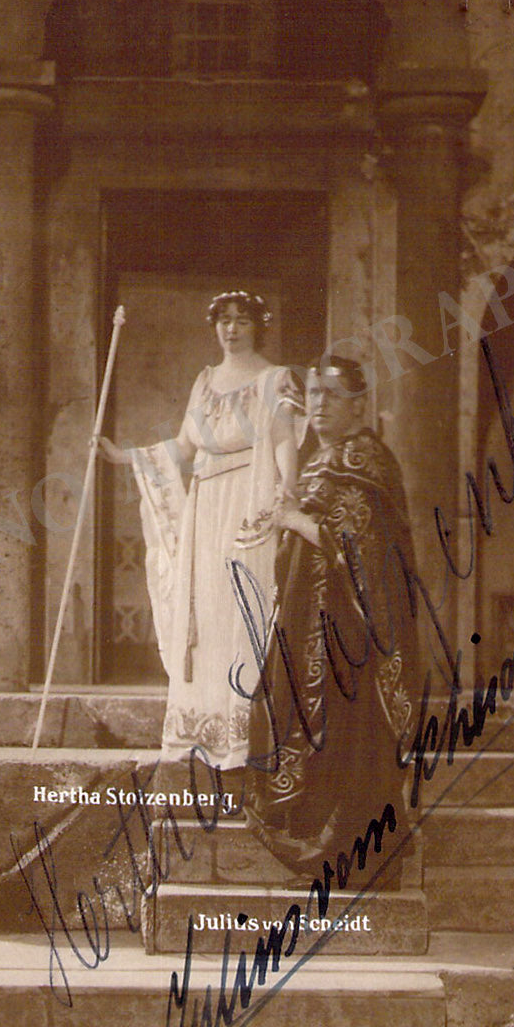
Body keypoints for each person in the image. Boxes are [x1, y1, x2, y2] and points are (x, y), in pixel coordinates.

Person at [99, 291, 302, 768]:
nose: (231, 329)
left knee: (242, 609)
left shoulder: (275, 379)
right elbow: (185, 448)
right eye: (224, 320)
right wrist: (122, 456)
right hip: (206, 507)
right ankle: (201, 730)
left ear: (258, 326)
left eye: (242, 320)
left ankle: (241, 736)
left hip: (248, 503)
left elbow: (283, 440)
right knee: (206, 610)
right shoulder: (205, 381)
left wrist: (286, 492)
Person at [243, 354, 419, 884]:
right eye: (314, 394)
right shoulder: (325, 459)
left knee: (349, 738)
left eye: (332, 395)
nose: (318, 404)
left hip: (350, 634)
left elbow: (356, 546)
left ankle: (351, 855)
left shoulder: (362, 459)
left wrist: (293, 519)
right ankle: (328, 848)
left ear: (359, 405)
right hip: (313, 624)